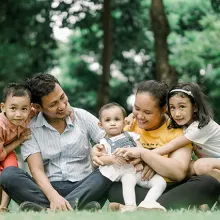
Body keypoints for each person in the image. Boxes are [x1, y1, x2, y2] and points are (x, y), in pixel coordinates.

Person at [93, 80, 220, 210]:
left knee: (208, 182)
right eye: (136, 108)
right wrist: (96, 151)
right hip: (138, 183)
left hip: (170, 186)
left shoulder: (179, 127)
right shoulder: (129, 123)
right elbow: (107, 147)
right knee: (114, 186)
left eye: (147, 112)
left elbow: (179, 172)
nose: (140, 116)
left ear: (163, 109)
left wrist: (147, 157)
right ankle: (157, 205)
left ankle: (141, 207)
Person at [0, 73, 113, 212]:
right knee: (8, 174)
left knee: (110, 169)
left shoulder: (81, 116)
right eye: (53, 104)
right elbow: (36, 171)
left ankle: (46, 210)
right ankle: (78, 207)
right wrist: (54, 196)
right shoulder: (30, 128)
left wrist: (99, 147)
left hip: (83, 185)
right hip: (47, 189)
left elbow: (112, 138)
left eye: (62, 97)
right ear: (38, 107)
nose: (62, 106)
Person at [98, 102, 166, 212]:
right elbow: (101, 159)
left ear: (124, 121)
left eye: (117, 119)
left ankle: (148, 202)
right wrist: (112, 159)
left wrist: (140, 162)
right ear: (101, 125)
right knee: (128, 181)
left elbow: (141, 151)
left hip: (140, 172)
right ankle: (130, 206)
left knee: (161, 182)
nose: (113, 123)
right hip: (126, 173)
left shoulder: (131, 135)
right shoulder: (104, 142)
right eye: (107, 120)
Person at [152, 82, 220, 182]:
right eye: (172, 107)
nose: (177, 114)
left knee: (201, 166)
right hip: (213, 162)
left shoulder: (201, 126)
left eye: (182, 107)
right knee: (181, 167)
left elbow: (172, 145)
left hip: (213, 162)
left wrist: (146, 155)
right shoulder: (184, 123)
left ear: (195, 107)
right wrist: (133, 116)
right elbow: (160, 117)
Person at [0, 83, 32, 212]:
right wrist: (20, 139)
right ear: (3, 107)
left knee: (11, 172)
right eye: (13, 108)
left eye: (24, 109)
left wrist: (68, 110)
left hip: (7, 152)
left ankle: (3, 207)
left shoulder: (29, 114)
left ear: (30, 108)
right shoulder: (1, 125)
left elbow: (44, 108)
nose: (19, 114)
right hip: (2, 151)